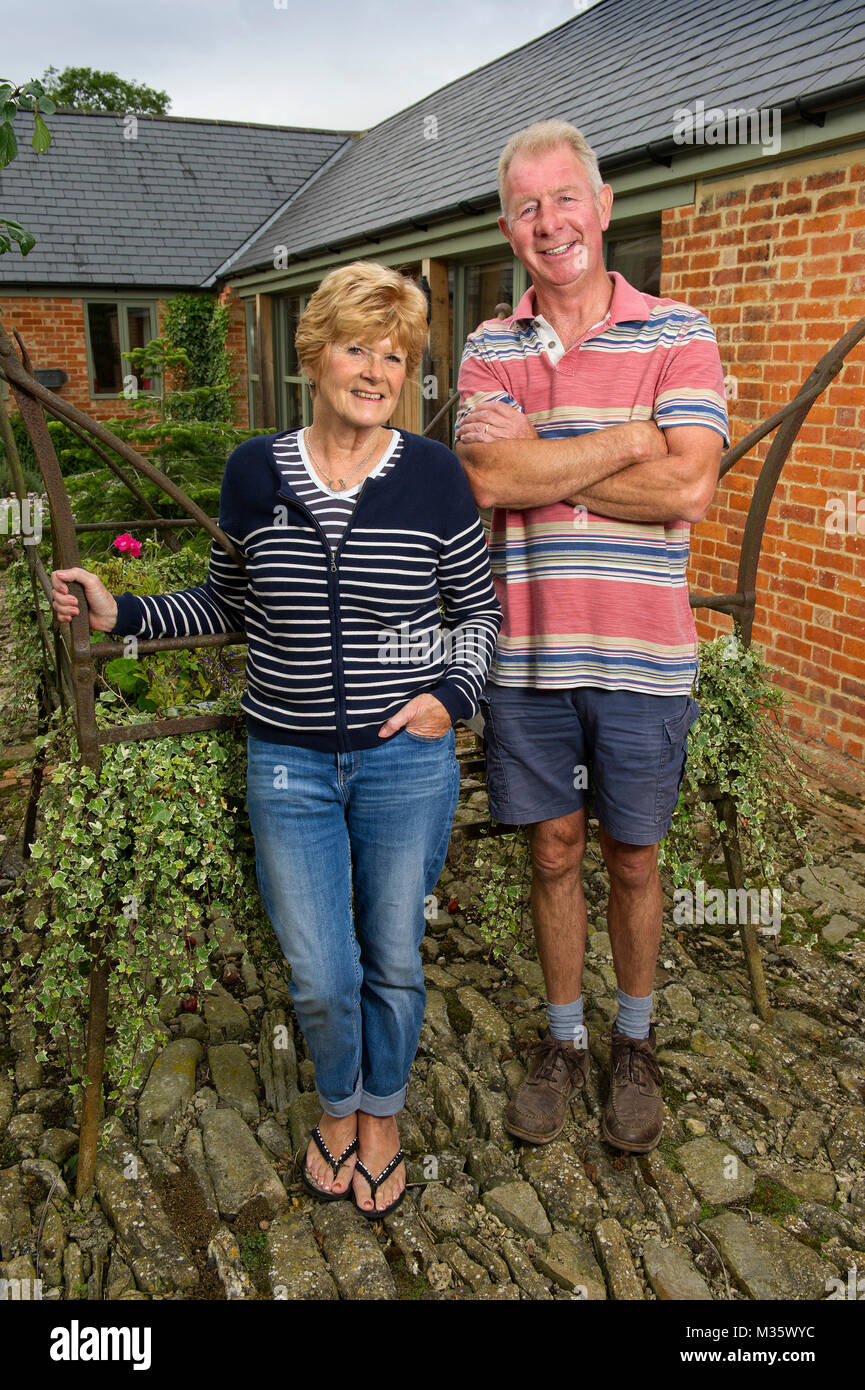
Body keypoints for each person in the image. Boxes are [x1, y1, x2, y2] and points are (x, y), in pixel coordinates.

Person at [51, 261, 502, 1217]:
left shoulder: (432, 476)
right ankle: (337, 1103)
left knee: (392, 952)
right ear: (315, 356)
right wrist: (118, 611)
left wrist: (448, 701)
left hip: (404, 760)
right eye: (356, 347)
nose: (375, 370)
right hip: (288, 760)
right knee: (319, 969)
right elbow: (224, 599)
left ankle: (380, 1115)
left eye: (396, 355)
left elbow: (477, 614)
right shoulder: (256, 470)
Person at [455, 121, 729, 1153]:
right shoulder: (488, 346)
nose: (548, 222)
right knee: (553, 851)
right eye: (526, 207)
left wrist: (550, 454)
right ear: (507, 228)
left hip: (642, 659)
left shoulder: (677, 332)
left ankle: (634, 1039)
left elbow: (689, 486)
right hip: (527, 662)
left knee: (632, 857)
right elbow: (488, 478)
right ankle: (563, 1039)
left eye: (564, 197)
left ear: (603, 206)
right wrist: (627, 440)